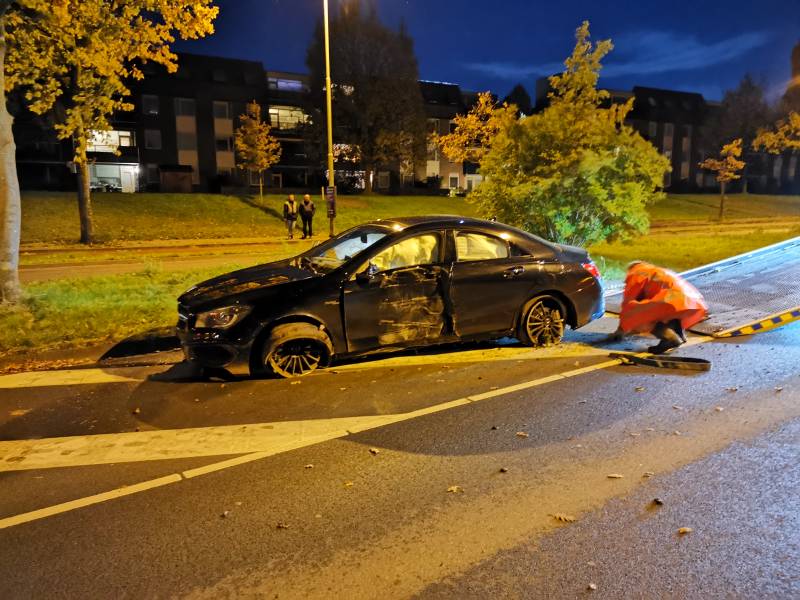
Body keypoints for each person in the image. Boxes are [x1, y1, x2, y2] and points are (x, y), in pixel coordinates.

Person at [612, 261, 708, 354]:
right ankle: (678, 334)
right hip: (692, 300)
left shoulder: (635, 273)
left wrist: (621, 329)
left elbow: (628, 303)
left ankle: (669, 338)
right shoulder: (655, 271)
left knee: (639, 314)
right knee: (665, 312)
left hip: (672, 299)